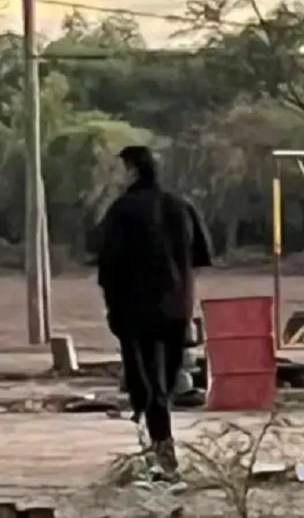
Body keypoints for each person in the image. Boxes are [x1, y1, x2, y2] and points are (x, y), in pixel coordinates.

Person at [97, 146, 199, 479]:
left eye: (122, 168)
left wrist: (113, 308)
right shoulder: (181, 207)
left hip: (135, 311)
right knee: (164, 387)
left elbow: (107, 266)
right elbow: (199, 256)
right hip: (176, 309)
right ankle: (160, 446)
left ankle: (159, 449)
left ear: (132, 170)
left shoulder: (122, 211)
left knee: (146, 387)